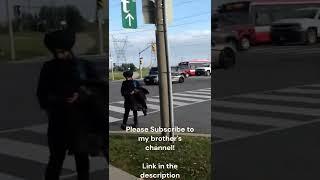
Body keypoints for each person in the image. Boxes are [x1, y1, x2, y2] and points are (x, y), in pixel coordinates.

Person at [37, 29, 107, 180]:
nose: (60, 55)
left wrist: (81, 96)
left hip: (80, 124)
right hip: (58, 124)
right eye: (57, 53)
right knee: (55, 162)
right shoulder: (48, 68)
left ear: (69, 49)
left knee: (82, 162)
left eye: (63, 52)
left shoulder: (82, 66)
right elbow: (42, 96)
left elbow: (99, 89)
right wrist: (60, 100)